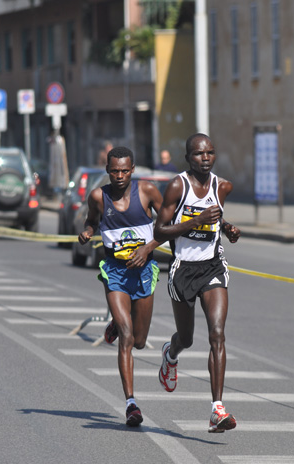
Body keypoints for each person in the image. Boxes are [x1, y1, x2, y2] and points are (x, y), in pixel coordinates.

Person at [154, 133, 241, 433]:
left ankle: (217, 409)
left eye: (210, 153)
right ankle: (171, 354)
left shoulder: (223, 186)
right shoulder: (178, 186)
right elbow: (160, 231)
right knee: (187, 338)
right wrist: (196, 220)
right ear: (188, 157)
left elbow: (216, 220)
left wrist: (227, 228)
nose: (205, 158)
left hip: (212, 267)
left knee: (217, 334)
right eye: (198, 154)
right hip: (183, 270)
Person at [78, 146, 163, 427]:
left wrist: (148, 247)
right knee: (127, 337)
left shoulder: (148, 192)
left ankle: (116, 324)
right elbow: (92, 221)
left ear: (133, 169)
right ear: (107, 170)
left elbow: (167, 225)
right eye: (114, 171)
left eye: (125, 170)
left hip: (144, 273)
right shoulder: (98, 197)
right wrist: (88, 232)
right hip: (114, 272)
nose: (119, 176)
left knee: (139, 341)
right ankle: (131, 404)